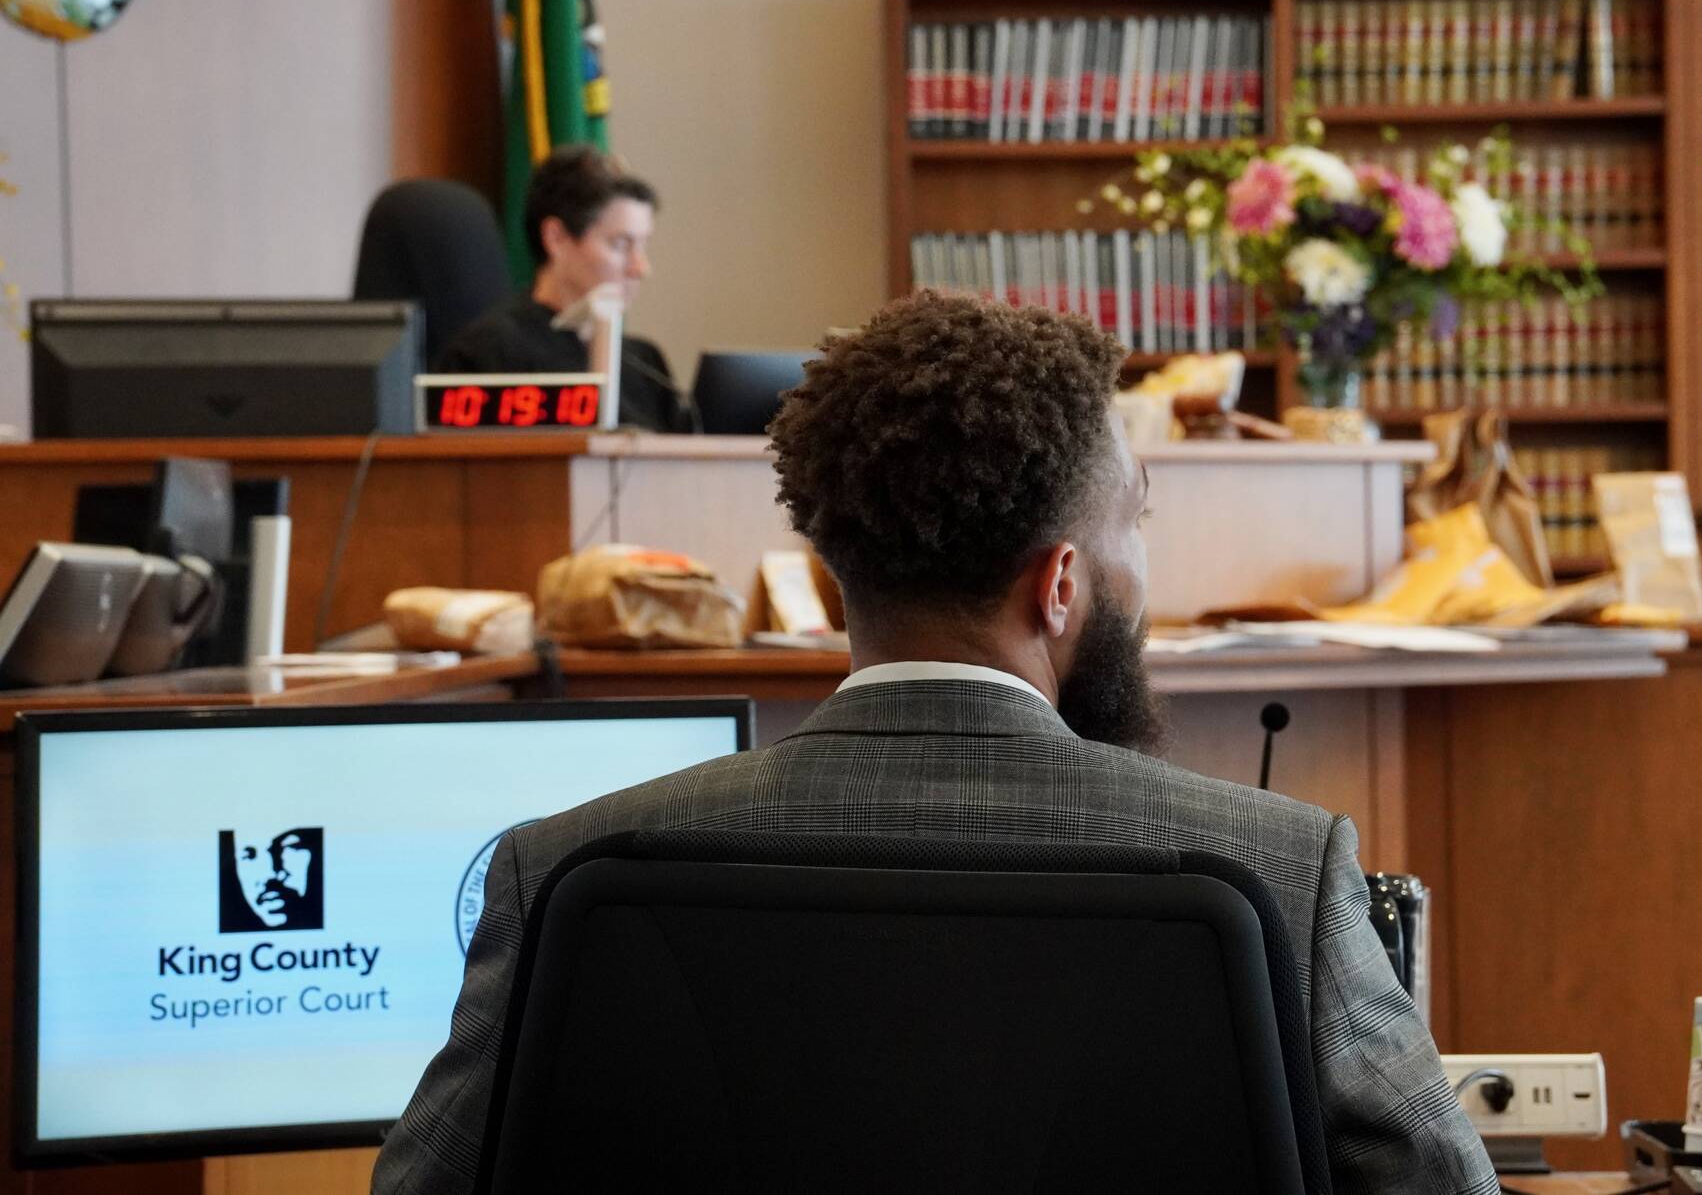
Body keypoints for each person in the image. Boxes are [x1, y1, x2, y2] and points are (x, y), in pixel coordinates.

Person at [373, 292, 1496, 1195]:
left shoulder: (559, 867)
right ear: (1060, 586)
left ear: (827, 575)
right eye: (1134, 526)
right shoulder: (1283, 875)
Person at [435, 144, 693, 432]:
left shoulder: (645, 361)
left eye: (643, 246)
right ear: (556, 238)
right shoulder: (488, 351)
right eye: (621, 245)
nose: (641, 268)